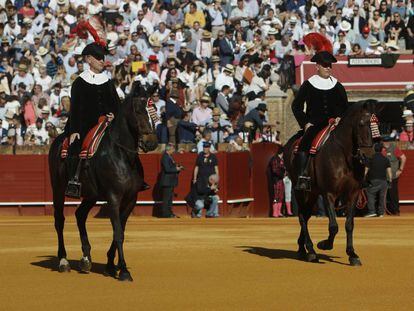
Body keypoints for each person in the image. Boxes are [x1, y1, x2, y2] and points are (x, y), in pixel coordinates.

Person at [65, 42, 120, 198]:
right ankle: (73, 181)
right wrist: (74, 130)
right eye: (98, 58)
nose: (102, 61)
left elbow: (116, 105)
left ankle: (134, 178)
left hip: (107, 124)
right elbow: (75, 108)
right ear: (88, 59)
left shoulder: (108, 81)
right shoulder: (80, 81)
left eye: (102, 58)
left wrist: (114, 115)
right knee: (75, 145)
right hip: (85, 126)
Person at [292, 50, 349, 191]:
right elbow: (296, 106)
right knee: (305, 143)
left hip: (335, 124)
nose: (328, 67)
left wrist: (340, 117)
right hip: (315, 124)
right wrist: (305, 123)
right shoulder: (308, 84)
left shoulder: (337, 85)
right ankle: (303, 177)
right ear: (317, 66)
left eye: (329, 65)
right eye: (325, 65)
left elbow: (345, 107)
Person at [192, 142, 220, 218]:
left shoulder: (213, 157)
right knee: (201, 196)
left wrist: (217, 179)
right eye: (204, 147)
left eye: (206, 147)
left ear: (209, 148)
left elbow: (216, 168)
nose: (205, 148)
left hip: (211, 180)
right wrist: (194, 178)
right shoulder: (200, 156)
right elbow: (197, 167)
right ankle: (198, 214)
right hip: (201, 179)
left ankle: (211, 213)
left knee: (214, 197)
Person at [364, 142, 392, 218]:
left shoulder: (370, 159)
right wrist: (390, 181)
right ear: (382, 150)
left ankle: (372, 211)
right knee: (382, 197)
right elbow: (389, 171)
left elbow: (366, 171)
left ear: (374, 149)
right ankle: (381, 213)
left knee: (370, 194)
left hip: (373, 180)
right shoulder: (386, 159)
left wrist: (363, 179)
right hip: (383, 181)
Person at [382, 136, 407, 215]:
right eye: (385, 142)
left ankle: (395, 210)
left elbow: (403, 158)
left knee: (393, 193)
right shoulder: (380, 148)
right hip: (382, 176)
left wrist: (400, 170)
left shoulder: (394, 148)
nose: (386, 143)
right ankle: (388, 210)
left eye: (387, 141)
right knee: (386, 194)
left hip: (393, 176)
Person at [159, 143, 183, 218]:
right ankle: (165, 214)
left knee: (169, 198)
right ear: (168, 149)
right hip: (167, 181)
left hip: (170, 181)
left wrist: (177, 168)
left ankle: (169, 213)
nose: (174, 150)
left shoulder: (169, 156)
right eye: (173, 149)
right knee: (166, 199)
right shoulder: (165, 157)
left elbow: (170, 167)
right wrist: (176, 169)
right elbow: (167, 169)